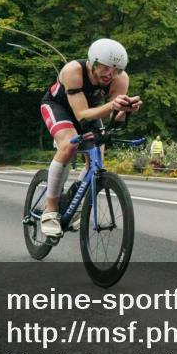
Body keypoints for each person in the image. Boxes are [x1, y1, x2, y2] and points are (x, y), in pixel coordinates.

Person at [38, 38, 141, 237]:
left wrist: (125, 110)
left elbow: (113, 117)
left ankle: (73, 201)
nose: (110, 74)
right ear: (92, 62)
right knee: (69, 145)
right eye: (104, 67)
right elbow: (81, 114)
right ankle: (50, 209)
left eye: (116, 69)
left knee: (97, 156)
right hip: (60, 108)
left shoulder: (120, 79)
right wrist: (112, 106)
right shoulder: (72, 71)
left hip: (91, 111)